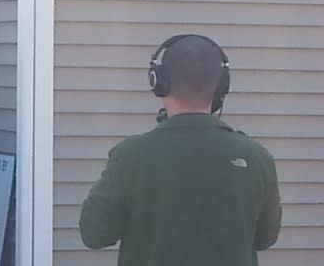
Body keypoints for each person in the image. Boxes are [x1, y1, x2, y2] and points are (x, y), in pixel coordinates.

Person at [79, 34, 282, 266]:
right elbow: (266, 238)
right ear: (221, 86)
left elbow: (94, 234)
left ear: (159, 81)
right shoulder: (257, 158)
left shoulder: (130, 156)